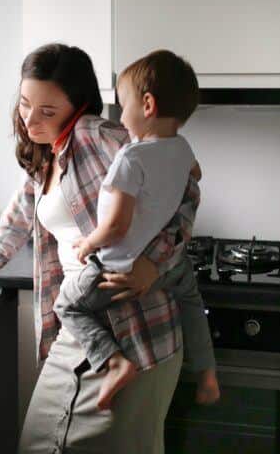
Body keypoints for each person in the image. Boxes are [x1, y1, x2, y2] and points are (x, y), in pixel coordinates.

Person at [0, 43, 209, 453]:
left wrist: (154, 264)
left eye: (47, 111)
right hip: (82, 325)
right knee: (38, 442)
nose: (30, 120)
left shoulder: (98, 135)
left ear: (78, 107)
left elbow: (187, 188)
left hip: (136, 330)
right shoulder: (45, 161)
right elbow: (4, 239)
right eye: (25, 104)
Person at [55, 49, 219, 410]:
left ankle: (115, 363)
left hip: (119, 269)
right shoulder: (183, 148)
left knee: (67, 305)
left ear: (147, 105)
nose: (119, 115)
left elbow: (116, 227)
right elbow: (196, 175)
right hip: (169, 267)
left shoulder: (130, 158)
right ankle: (207, 373)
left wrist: (87, 244)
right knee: (192, 302)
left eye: (122, 104)